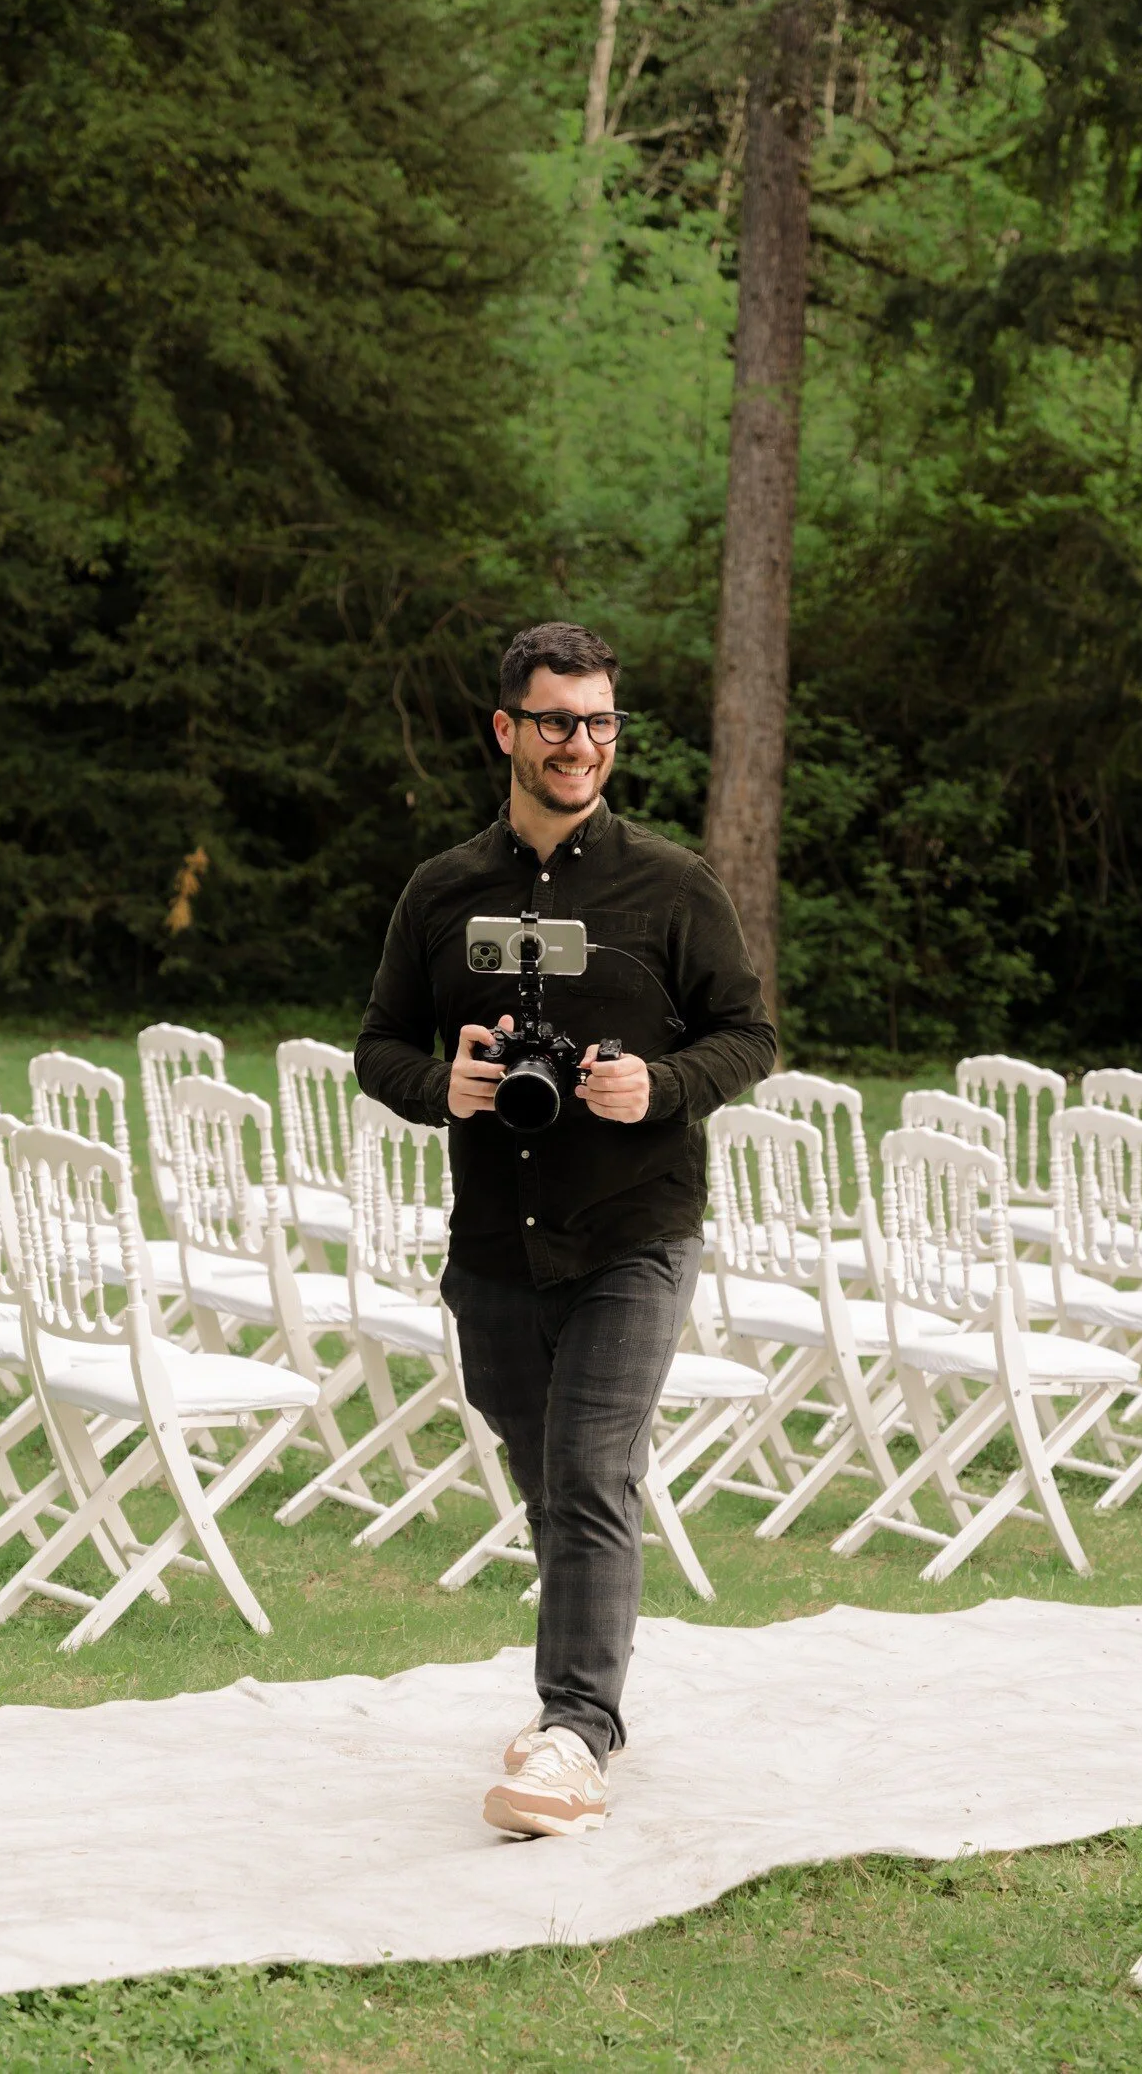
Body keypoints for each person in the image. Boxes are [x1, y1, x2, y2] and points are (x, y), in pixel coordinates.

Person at [355, 620, 776, 1837]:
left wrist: (663, 1084)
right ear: (506, 730)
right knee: (552, 1477)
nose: (580, 745)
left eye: (599, 724)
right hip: (493, 1238)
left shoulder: (672, 887)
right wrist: (446, 1083)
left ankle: (573, 1733)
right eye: (555, 722)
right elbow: (378, 1043)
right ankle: (574, 1705)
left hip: (631, 1229)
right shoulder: (441, 891)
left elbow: (744, 1035)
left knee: (590, 1470)